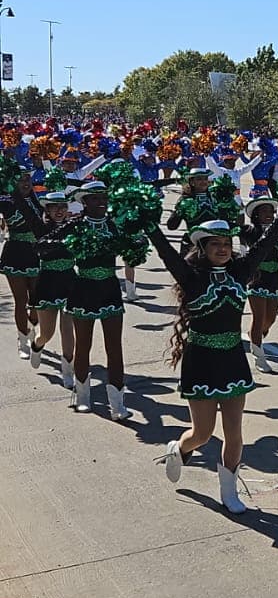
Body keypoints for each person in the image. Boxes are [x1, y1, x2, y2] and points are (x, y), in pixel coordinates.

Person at [148, 207, 278, 513]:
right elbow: (165, 251)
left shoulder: (240, 272)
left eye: (227, 243)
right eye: (215, 244)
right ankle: (179, 447)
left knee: (234, 431)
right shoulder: (191, 277)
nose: (223, 248)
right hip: (201, 360)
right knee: (202, 433)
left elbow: (267, 240)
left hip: (232, 360)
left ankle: (229, 492)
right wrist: (148, 225)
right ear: (201, 248)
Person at [66, 179, 145, 420]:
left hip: (109, 287)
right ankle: (82, 397)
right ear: (85, 202)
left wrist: (139, 242)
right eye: (95, 198)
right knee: (83, 345)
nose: (101, 202)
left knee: (114, 347)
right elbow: (50, 243)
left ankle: (118, 404)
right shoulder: (75, 226)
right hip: (83, 288)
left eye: (104, 198)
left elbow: (133, 249)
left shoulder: (115, 225)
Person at [29, 189, 76, 386]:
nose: (59, 210)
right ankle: (36, 346)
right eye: (54, 207)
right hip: (47, 281)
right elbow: (26, 207)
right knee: (47, 334)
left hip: (70, 281)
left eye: (63, 207)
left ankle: (68, 372)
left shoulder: (75, 226)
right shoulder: (41, 227)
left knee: (68, 329)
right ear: (46, 210)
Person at [0, 162, 43, 359]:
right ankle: (23, 340)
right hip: (15, 252)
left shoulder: (40, 200)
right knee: (21, 300)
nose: (25, 183)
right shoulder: (6, 201)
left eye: (28, 179)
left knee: (35, 299)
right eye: (20, 179)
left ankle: (33, 328)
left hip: (36, 253)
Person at [242, 197, 278, 373]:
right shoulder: (250, 231)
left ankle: (255, 337)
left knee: (270, 320)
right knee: (259, 318)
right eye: (264, 211)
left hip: (274, 279)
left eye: (271, 211)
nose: (269, 215)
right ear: (256, 215)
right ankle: (258, 356)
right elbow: (231, 227)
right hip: (257, 278)